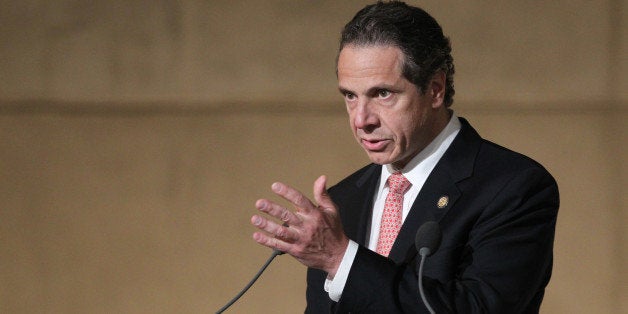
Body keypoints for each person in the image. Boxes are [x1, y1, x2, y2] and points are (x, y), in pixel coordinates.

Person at [250, 1, 559, 313]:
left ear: (436, 89)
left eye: (382, 94)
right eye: (350, 96)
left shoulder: (513, 187)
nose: (361, 120)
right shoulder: (341, 202)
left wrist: (340, 259)